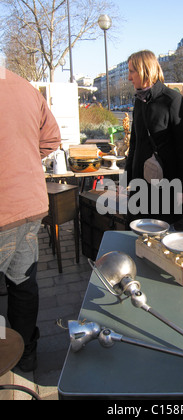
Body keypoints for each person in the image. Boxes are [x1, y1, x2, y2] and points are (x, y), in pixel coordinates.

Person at [0, 67, 61, 371]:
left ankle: (5, 351)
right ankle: (25, 353)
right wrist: (22, 158)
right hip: (28, 204)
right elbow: (51, 140)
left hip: (4, 210)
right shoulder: (24, 87)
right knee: (22, 284)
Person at [125, 50, 183, 226]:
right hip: (139, 185)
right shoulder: (139, 100)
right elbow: (135, 143)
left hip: (166, 186)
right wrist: (127, 179)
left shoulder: (172, 99)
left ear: (144, 70)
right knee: (137, 234)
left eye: (132, 71)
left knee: (164, 238)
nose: (129, 77)